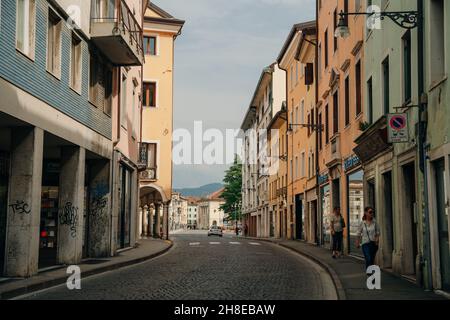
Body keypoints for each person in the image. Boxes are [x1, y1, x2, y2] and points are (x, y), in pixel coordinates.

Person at [356, 207, 380, 274]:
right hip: (365, 244)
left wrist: (377, 240)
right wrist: (357, 242)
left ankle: (370, 273)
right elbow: (358, 233)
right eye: (370, 212)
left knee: (371, 260)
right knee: (368, 258)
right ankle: (370, 273)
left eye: (372, 212)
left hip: (373, 244)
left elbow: (378, 233)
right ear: (366, 213)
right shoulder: (362, 223)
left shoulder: (375, 222)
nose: (371, 213)